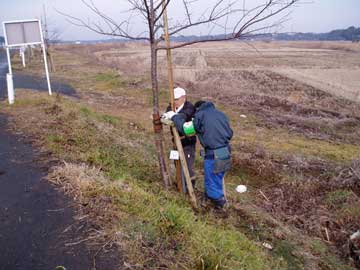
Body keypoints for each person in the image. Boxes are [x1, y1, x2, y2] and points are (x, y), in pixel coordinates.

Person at [164, 100, 233, 208]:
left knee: (212, 184)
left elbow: (186, 129)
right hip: (225, 152)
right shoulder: (221, 114)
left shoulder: (200, 116)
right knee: (217, 179)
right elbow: (230, 133)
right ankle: (212, 202)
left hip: (213, 154)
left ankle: (220, 208)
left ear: (197, 109)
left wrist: (174, 116)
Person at [166, 87, 197, 189]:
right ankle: (180, 184)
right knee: (177, 163)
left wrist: (173, 116)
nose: (174, 102)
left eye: (176, 99)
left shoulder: (189, 108)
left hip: (187, 142)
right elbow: (167, 114)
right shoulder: (171, 107)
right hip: (176, 141)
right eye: (173, 99)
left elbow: (182, 117)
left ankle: (190, 187)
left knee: (188, 166)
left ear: (183, 98)